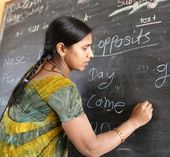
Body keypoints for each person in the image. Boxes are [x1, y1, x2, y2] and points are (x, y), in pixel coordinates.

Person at [0, 16, 153, 157]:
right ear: (62, 49)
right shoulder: (61, 88)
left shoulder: (37, 70)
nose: (91, 54)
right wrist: (134, 122)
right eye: (85, 48)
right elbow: (91, 148)